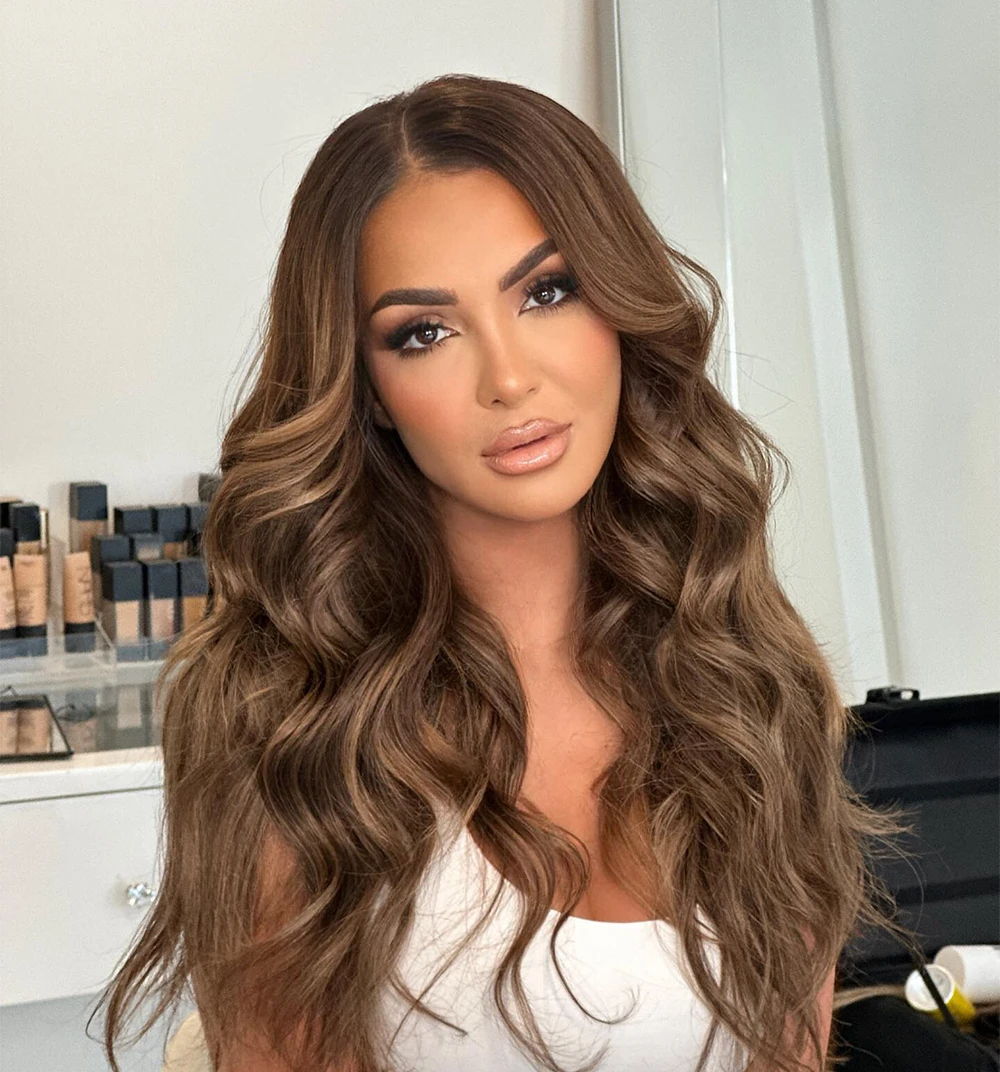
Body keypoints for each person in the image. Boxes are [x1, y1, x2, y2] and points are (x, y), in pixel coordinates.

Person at [93, 73, 924, 1072]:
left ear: (618, 307)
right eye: (425, 332)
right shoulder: (291, 724)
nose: (509, 377)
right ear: (368, 391)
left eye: (547, 290)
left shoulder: (749, 675)